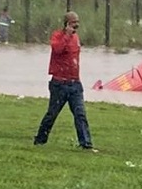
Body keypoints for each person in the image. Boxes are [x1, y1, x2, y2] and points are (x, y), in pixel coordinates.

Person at [33, 11, 96, 151]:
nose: (76, 26)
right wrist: (66, 35)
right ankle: (40, 139)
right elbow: (57, 49)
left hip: (75, 83)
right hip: (59, 84)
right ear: (67, 23)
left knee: (80, 114)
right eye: (73, 23)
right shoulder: (58, 36)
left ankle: (86, 143)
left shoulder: (76, 38)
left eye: (77, 22)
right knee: (52, 114)